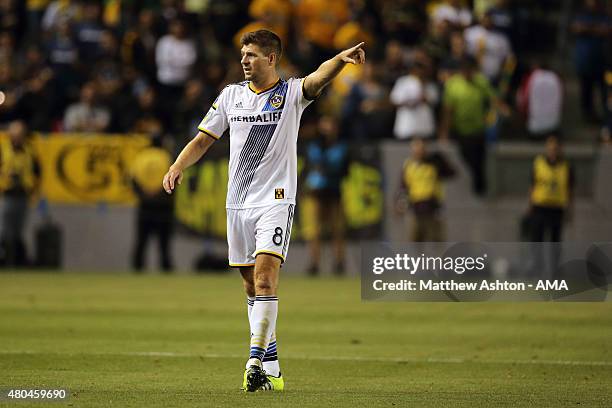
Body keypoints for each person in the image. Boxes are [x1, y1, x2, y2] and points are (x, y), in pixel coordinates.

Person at [162, 30, 365, 392]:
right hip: (237, 204)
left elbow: (318, 77)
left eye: (252, 55)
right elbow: (202, 140)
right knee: (250, 286)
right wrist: (177, 166)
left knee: (266, 278)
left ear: (271, 59)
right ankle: (271, 367)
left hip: (276, 199)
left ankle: (253, 359)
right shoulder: (230, 96)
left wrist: (340, 60)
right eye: (243, 54)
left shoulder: (290, 95)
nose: (244, 61)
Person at [302, 115, 349, 276]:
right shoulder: (313, 146)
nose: (327, 128)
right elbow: (307, 168)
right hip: (315, 193)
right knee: (314, 230)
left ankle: (339, 263)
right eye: (325, 124)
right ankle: (314, 264)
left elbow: (345, 170)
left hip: (334, 192)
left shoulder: (342, 147)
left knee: (337, 230)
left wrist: (327, 169)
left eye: (330, 124)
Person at [395, 138, 455, 242]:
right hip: (415, 210)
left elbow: (451, 173)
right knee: (415, 243)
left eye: (421, 148)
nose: (419, 151)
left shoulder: (434, 163)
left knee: (436, 243)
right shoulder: (408, 165)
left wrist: (441, 160)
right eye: (416, 148)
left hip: (433, 209)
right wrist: (400, 205)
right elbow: (403, 187)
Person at [0, 120, 41, 267]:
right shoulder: (3, 149)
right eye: (15, 134)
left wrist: (34, 192)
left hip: (23, 195)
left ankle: (17, 262)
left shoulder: (30, 150)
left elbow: (37, 173)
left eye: (20, 134)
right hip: (5, 194)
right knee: (3, 230)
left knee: (18, 231)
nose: (17, 137)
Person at [131, 138, 174, 272]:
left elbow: (133, 180)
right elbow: (174, 177)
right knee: (164, 244)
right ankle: (165, 268)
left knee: (141, 241)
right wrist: (160, 194)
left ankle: (137, 268)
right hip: (163, 205)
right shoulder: (166, 157)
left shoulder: (140, 157)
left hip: (145, 205)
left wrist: (144, 195)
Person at [529, 135, 574, 243]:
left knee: (555, 240)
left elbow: (570, 190)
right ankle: (536, 259)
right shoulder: (538, 163)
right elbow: (532, 185)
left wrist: (571, 210)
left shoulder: (566, 166)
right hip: (540, 206)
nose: (552, 151)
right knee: (537, 238)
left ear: (560, 149)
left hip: (557, 208)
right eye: (550, 148)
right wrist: (530, 205)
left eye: (555, 148)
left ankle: (554, 259)